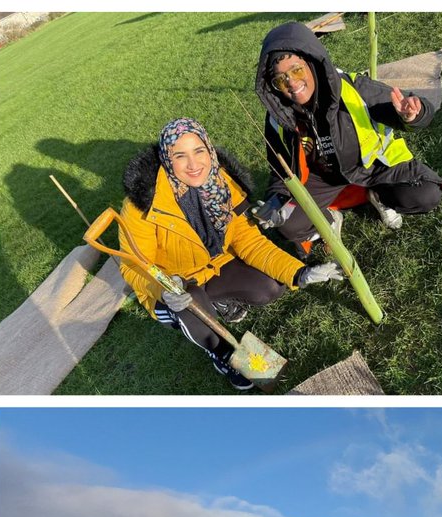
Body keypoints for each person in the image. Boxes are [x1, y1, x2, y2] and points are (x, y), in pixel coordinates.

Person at [118, 118, 341, 391]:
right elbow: (133, 265)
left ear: (209, 149)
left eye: (199, 151)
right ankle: (221, 353)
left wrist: (299, 272)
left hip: (215, 265)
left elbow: (248, 240)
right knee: (193, 310)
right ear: (167, 159)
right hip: (174, 282)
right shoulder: (143, 205)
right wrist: (162, 291)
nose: (193, 164)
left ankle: (218, 302)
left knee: (270, 287)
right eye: (180, 156)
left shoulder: (224, 184)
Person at [254, 22, 442, 252]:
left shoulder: (353, 87)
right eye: (280, 79)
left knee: (426, 194)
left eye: (296, 70)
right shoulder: (278, 117)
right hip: (323, 179)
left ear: (312, 63)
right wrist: (275, 201)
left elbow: (405, 108)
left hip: (372, 166)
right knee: (287, 226)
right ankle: (329, 218)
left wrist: (414, 114)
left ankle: (380, 196)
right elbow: (280, 168)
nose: (291, 82)